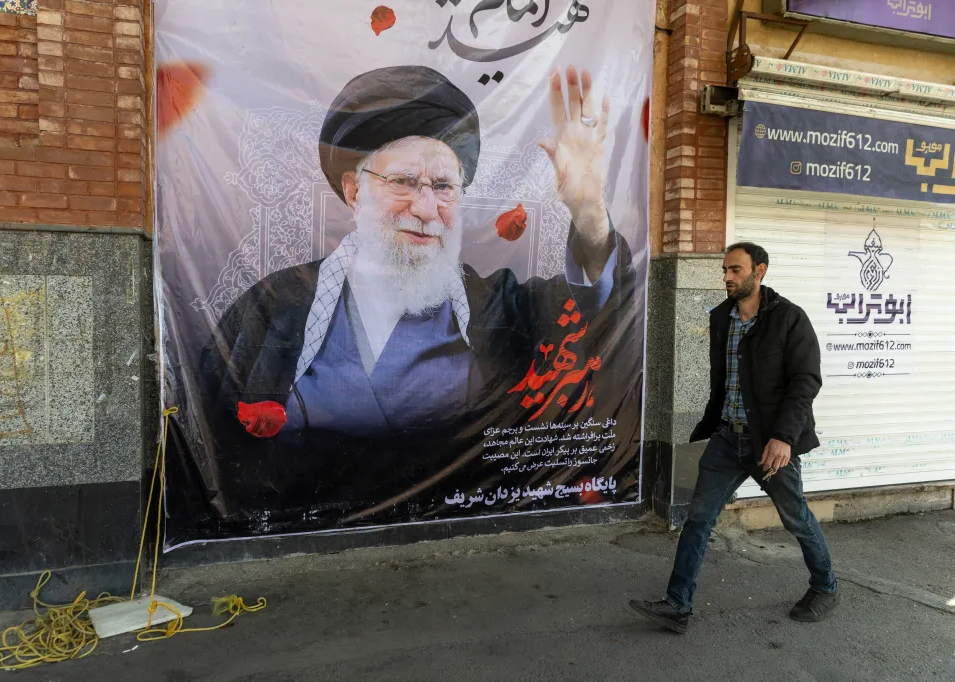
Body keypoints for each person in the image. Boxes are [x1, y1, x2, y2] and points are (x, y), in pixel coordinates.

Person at [181, 64, 641, 531]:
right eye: (403, 183)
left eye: (443, 187)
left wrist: (587, 208)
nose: (425, 210)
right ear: (354, 191)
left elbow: (597, 315)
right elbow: (213, 436)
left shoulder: (497, 307)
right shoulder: (274, 305)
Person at [629, 242, 839, 633]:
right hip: (728, 437)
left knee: (796, 519)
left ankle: (826, 587)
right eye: (725, 269)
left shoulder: (789, 319)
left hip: (770, 444)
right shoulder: (721, 318)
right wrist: (705, 430)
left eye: (736, 270)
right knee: (698, 519)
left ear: (759, 271)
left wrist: (783, 437)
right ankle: (678, 605)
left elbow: (805, 382)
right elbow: (721, 383)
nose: (727, 277)